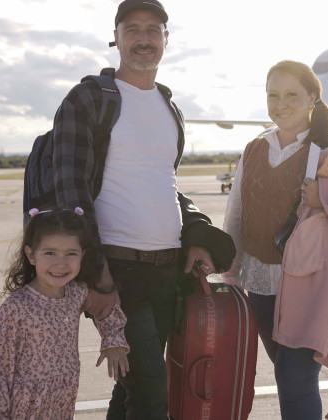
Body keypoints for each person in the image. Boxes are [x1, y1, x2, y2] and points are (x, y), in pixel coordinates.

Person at [50, 1, 235, 418]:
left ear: (166, 40)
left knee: (133, 390)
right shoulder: (89, 100)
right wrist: (96, 274)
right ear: (115, 37)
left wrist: (197, 237)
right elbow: (71, 193)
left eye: (153, 29)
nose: (143, 38)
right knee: (154, 396)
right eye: (132, 29)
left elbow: (164, 186)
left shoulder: (170, 109)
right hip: (117, 269)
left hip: (168, 271)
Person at [222, 60, 328, 419]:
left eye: (291, 94)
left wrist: (325, 200)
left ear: (313, 97)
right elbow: (236, 215)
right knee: (287, 375)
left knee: (295, 377)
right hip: (261, 282)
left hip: (314, 284)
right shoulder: (253, 149)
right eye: (273, 95)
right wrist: (230, 273)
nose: (280, 103)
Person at [0, 208, 129, 419]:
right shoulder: (16, 308)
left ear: (82, 255)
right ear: (31, 255)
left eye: (70, 254)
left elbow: (106, 308)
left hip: (62, 402)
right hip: (25, 408)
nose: (61, 263)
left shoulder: (77, 293)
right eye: (50, 253)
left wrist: (114, 341)